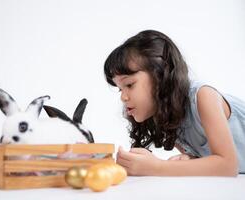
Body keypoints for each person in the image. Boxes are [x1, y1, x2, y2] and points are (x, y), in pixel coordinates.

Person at [104, 30, 245, 176]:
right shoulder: (168, 116)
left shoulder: (203, 96)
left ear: (159, 75)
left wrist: (156, 167)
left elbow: (228, 166)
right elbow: (212, 165)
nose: (123, 97)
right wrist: (191, 159)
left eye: (129, 85)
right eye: (120, 89)